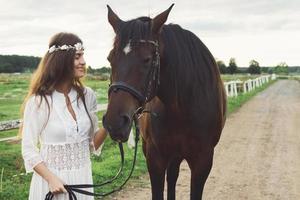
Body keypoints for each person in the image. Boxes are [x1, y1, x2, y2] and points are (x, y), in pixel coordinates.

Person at [21, 32, 107, 200]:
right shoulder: (39, 101)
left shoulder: (87, 96)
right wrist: (51, 179)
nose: (83, 62)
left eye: (83, 56)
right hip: (52, 185)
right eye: (77, 57)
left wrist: (109, 124)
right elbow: (29, 149)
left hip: (83, 180)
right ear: (62, 60)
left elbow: (92, 143)